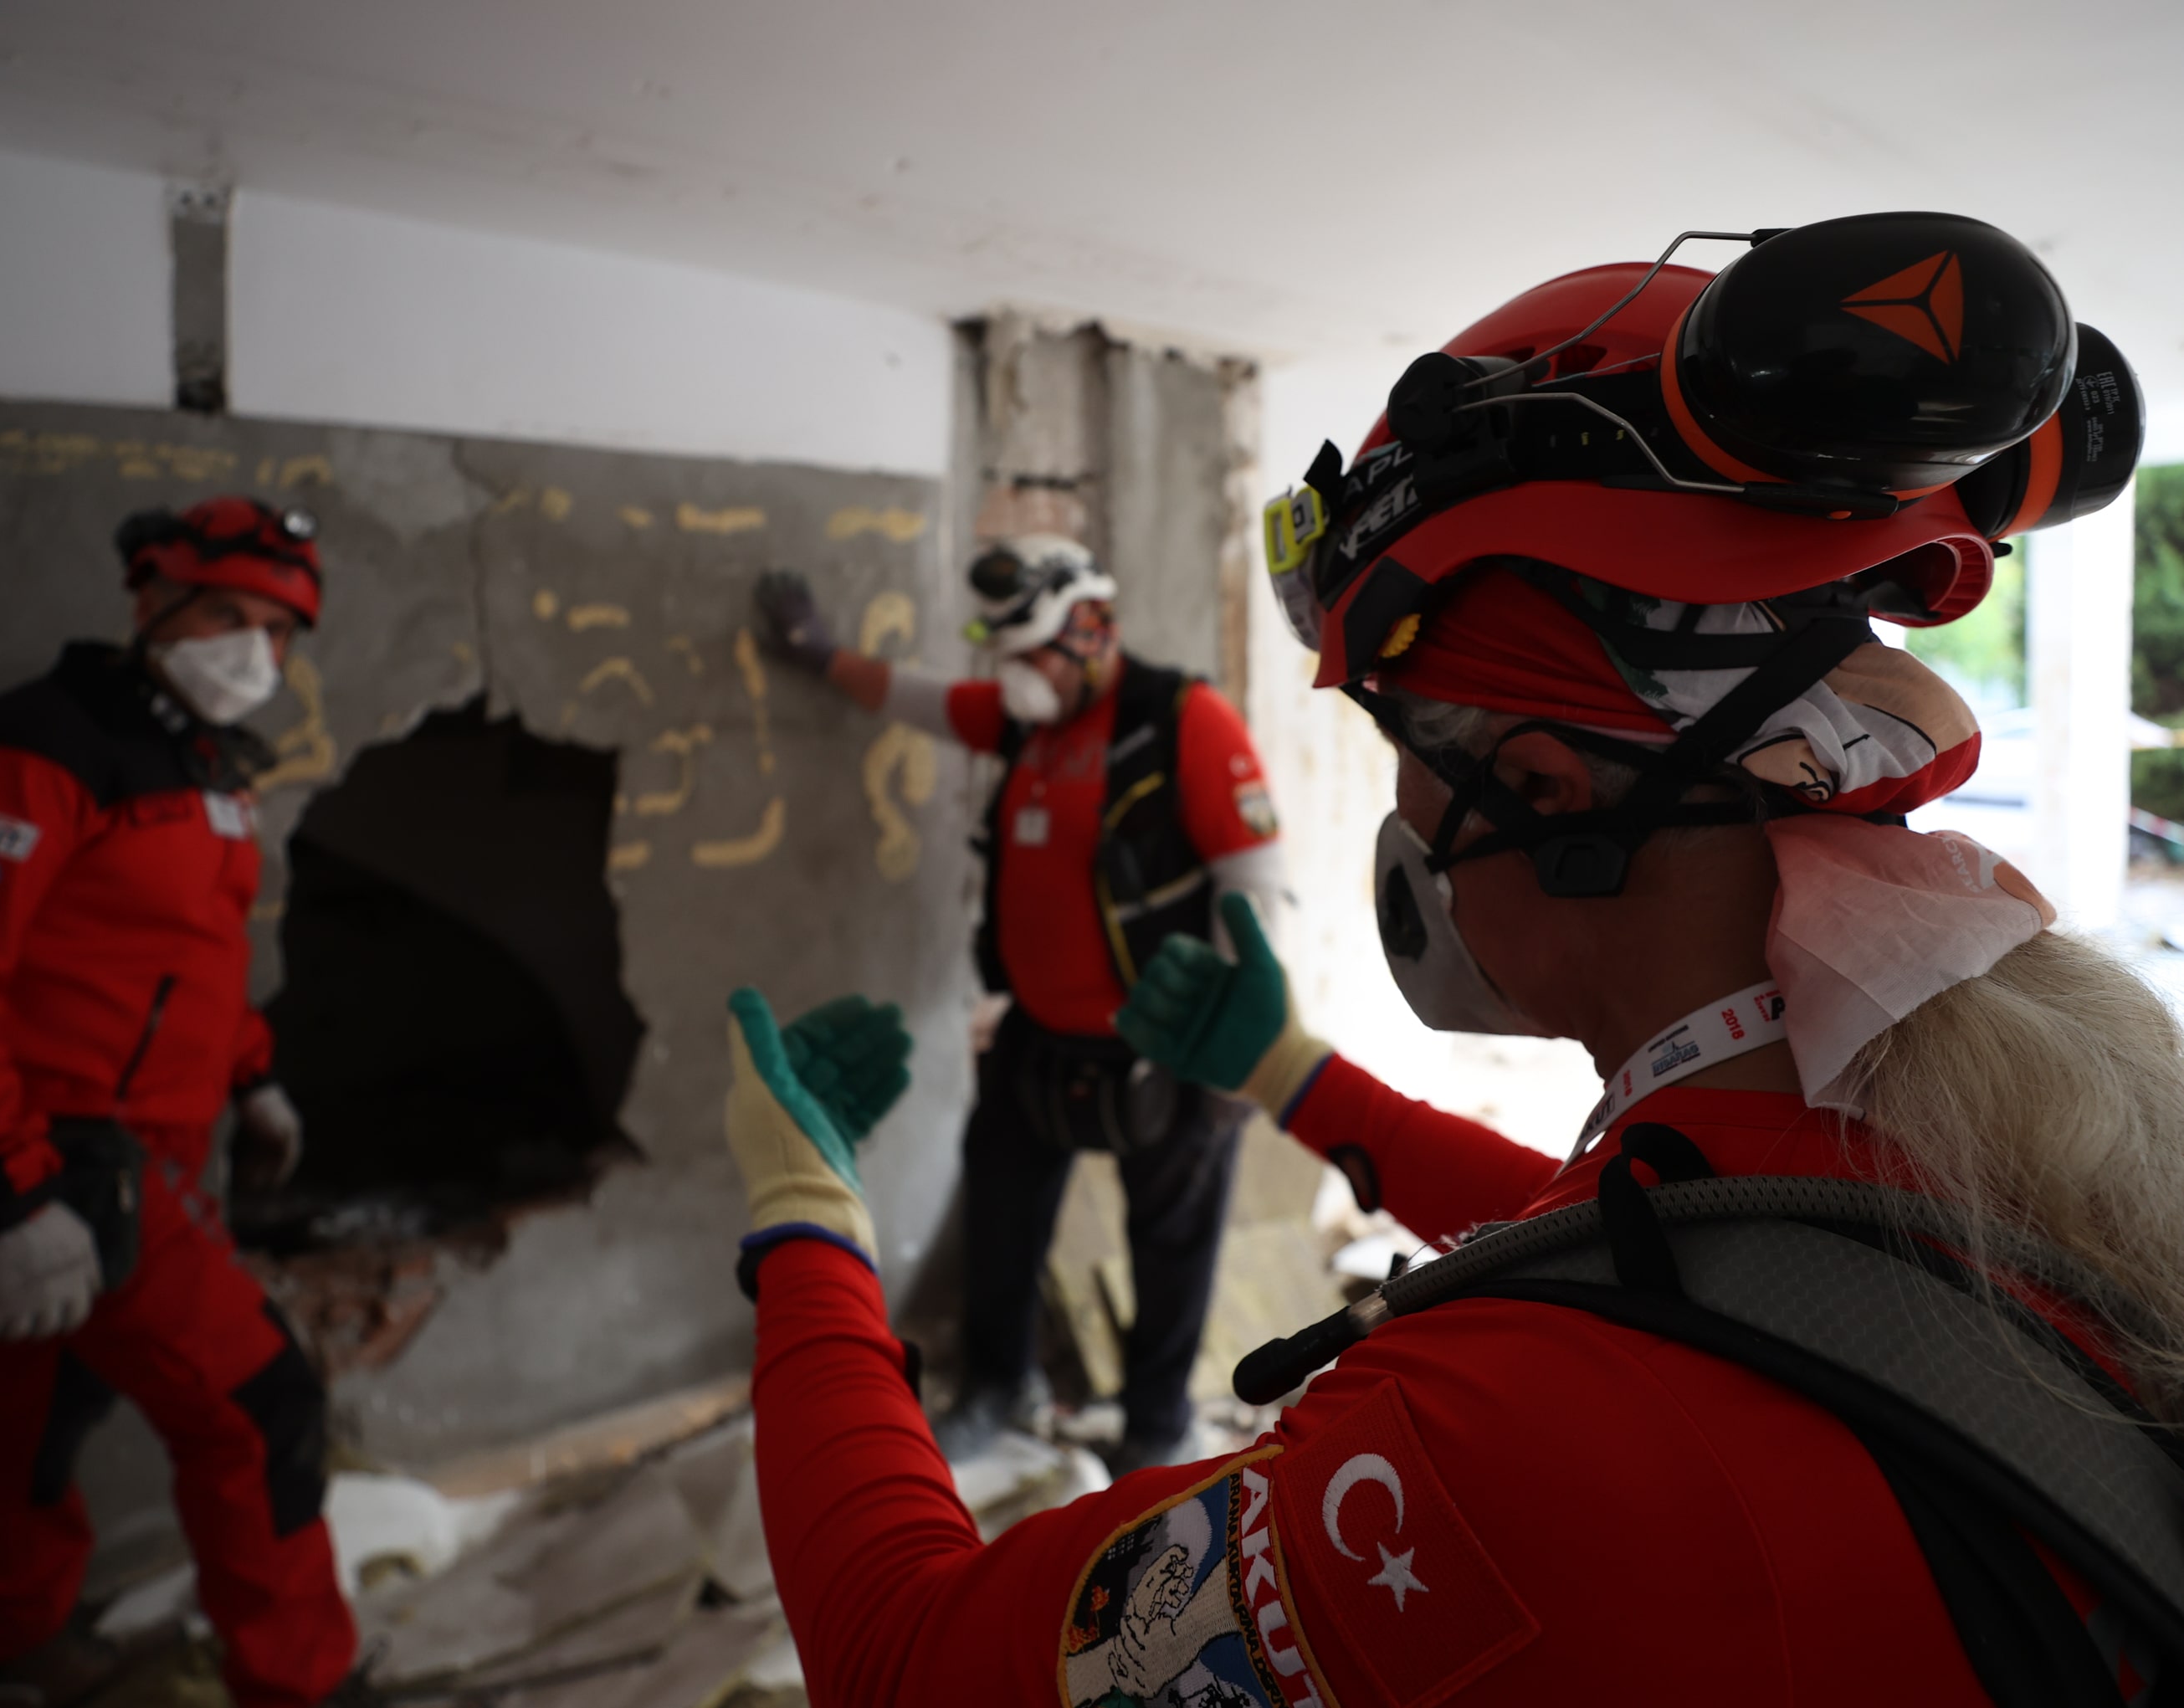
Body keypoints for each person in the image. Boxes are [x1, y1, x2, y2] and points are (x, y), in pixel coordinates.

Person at [719, 214, 2184, 1705]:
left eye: (1406, 755)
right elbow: (1682, 1239)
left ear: (1543, 792)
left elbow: (901, 1661)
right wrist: (1297, 1079)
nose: (1405, 818)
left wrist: (803, 1220)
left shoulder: (1495, 1450)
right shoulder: (2006, 1131)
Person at [0, 497, 356, 1708]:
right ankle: (301, 1686)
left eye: (280, 631)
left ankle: (18, 1647)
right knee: (262, 1401)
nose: (254, 652)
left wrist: (251, 1075)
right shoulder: (27, 755)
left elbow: (181, 949)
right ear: (150, 601)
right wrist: (1, 1196)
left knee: (39, 1400)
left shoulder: (203, 765)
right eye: (224, 615)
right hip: (65, 1154)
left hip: (156, 1145)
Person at [753, 538, 1292, 1469]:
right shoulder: (1028, 725)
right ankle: (999, 1386)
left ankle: (1155, 1427)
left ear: (1092, 630)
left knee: (1172, 1243)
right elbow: (920, 699)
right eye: (1006, 656)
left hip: (1166, 1045)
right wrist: (823, 654)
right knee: (1000, 1219)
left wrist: (1238, 1048)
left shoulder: (1182, 721)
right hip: (1037, 1036)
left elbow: (1257, 884)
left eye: (1034, 654)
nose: (1018, 677)